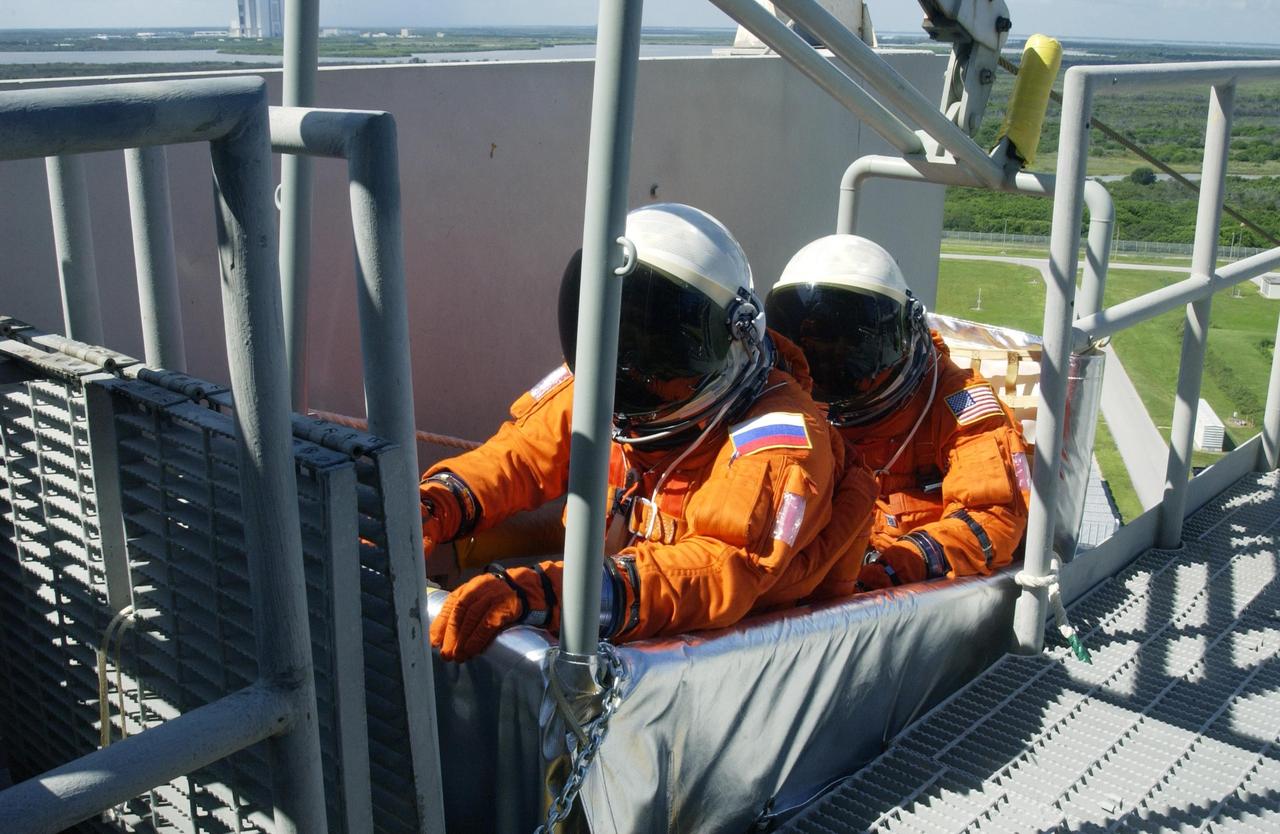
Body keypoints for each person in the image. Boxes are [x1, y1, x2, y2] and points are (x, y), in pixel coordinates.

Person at [425, 204, 878, 662]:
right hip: (631, 619)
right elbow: (520, 456)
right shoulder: (609, 379)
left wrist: (552, 593)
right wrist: (439, 501)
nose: (633, 367)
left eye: (659, 348)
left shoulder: (780, 434)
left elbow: (723, 565)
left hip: (746, 662)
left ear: (733, 337)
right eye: (620, 333)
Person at [764, 234, 1030, 591]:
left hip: (905, 588)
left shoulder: (957, 401)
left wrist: (893, 569)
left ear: (902, 332)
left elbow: (991, 517)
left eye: (854, 342)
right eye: (817, 342)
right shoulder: (792, 403)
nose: (834, 358)